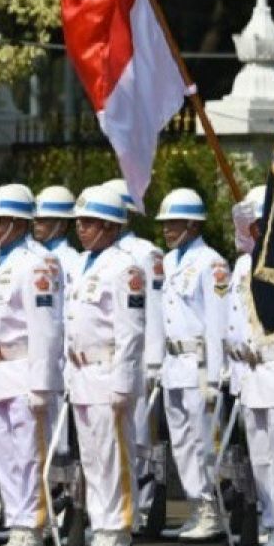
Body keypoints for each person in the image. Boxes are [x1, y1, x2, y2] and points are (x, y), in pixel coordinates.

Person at [0, 184, 62, 546]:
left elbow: (46, 326)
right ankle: (16, 525)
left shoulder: (37, 263)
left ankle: (33, 529)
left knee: (29, 454)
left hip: (25, 370)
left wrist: (42, 383)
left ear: (16, 222)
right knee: (5, 457)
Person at [62, 186, 145, 546]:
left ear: (110, 227)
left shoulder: (125, 268)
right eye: (79, 221)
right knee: (93, 460)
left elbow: (131, 331)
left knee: (115, 457)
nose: (82, 228)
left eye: (90, 222)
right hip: (82, 375)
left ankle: (119, 534)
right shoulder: (81, 264)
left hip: (109, 372)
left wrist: (123, 381)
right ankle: (102, 530)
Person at [224, 186, 274, 546]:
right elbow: (233, 320)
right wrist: (236, 376)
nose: (254, 230)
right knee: (263, 461)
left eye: (259, 223)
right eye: (250, 224)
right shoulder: (243, 265)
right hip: (251, 373)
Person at [156, 188, 228, 541]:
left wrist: (215, 377)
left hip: (199, 365)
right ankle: (195, 506)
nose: (167, 230)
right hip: (173, 364)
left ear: (192, 224)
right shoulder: (169, 263)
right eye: (165, 224)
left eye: (173, 224)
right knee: (181, 442)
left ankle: (212, 508)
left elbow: (217, 324)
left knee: (204, 441)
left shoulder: (211, 264)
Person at [102, 179, 165, 528]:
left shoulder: (144, 252)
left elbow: (153, 308)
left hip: (138, 355)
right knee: (119, 436)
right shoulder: (101, 258)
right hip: (110, 358)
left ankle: (142, 503)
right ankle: (128, 503)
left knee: (139, 433)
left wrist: (154, 358)